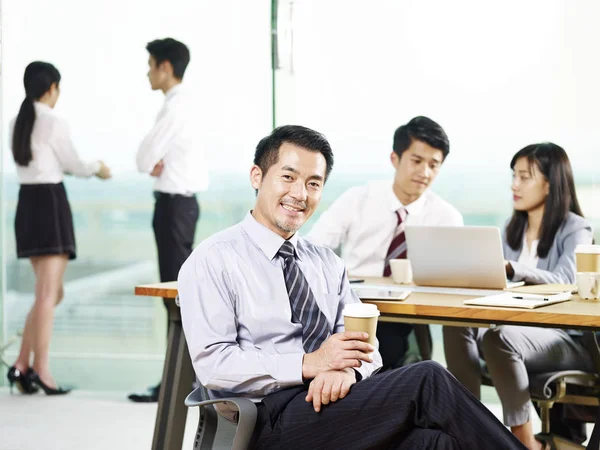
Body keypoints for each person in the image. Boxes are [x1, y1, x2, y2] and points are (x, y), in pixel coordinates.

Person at [178, 125, 526, 449]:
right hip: (267, 417)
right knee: (428, 378)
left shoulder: (326, 263)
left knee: (439, 443)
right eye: (288, 177)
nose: (300, 194)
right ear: (257, 176)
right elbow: (214, 364)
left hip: (335, 405)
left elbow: (366, 347)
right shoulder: (214, 259)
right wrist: (309, 364)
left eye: (314, 183)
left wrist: (346, 368)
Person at [443, 143, 595, 450]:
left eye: (524, 177)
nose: (515, 184)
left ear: (550, 184)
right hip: (515, 329)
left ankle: (523, 442)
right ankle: (473, 430)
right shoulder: (513, 230)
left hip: (564, 338)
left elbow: (566, 280)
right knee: (456, 326)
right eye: (514, 176)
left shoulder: (576, 228)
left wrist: (514, 268)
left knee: (500, 338)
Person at [307, 116, 463, 369]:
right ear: (395, 159)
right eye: (416, 161)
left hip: (406, 315)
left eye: (434, 165)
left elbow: (456, 279)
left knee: (387, 347)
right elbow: (314, 249)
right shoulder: (358, 199)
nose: (424, 172)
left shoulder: (447, 217)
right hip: (353, 306)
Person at [6, 61, 111, 396]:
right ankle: (43, 370)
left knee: (48, 294)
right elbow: (73, 164)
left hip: (27, 205)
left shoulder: (16, 122)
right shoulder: (53, 121)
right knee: (48, 294)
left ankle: (22, 363)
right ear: (51, 88)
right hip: (49, 204)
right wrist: (99, 168)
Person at [129, 38, 208, 403]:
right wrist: (153, 161)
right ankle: (177, 382)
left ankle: (177, 385)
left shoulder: (175, 106)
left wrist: (150, 163)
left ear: (165, 66)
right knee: (176, 295)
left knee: (175, 297)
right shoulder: (185, 105)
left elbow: (145, 155)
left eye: (149, 64)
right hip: (178, 205)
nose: (146, 72)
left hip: (174, 207)